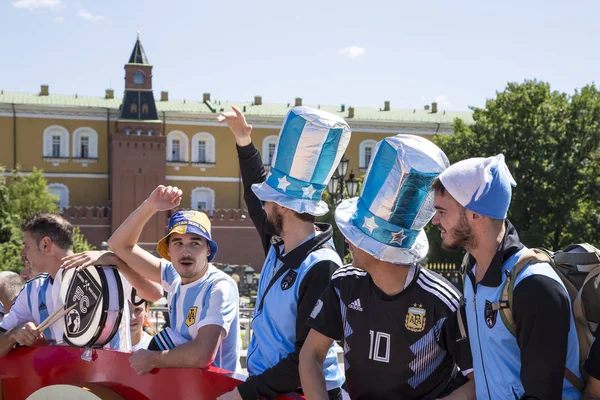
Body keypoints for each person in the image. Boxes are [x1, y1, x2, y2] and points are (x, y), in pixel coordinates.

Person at [299, 135, 475, 400]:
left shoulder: (443, 301)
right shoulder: (343, 285)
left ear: (377, 248)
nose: (347, 240)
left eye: (355, 234)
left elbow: (479, 381)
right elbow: (310, 354)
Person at [217, 106, 350, 400]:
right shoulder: (281, 243)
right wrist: (243, 140)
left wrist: (244, 394)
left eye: (269, 200)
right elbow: (254, 200)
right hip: (274, 390)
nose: (262, 205)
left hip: (303, 393)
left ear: (285, 208)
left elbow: (306, 359)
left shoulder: (321, 265)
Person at [431, 154, 581, 399]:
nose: (435, 220)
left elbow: (542, 395)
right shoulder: (471, 268)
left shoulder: (534, 286)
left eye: (441, 211)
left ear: (475, 214)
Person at [107, 190, 241, 374]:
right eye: (178, 243)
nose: (186, 252)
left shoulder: (219, 287)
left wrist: (152, 359)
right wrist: (150, 205)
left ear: (208, 250)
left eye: (195, 243)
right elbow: (118, 245)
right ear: (168, 250)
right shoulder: (173, 275)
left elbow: (203, 355)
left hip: (220, 390)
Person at [0, 213, 162, 356]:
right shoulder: (32, 291)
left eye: (26, 247)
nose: (23, 254)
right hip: (58, 386)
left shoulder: (107, 272)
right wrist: (14, 334)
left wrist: (117, 262)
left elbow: (155, 293)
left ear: (45, 244)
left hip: (109, 383)